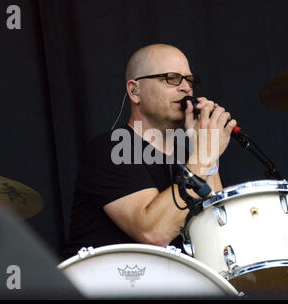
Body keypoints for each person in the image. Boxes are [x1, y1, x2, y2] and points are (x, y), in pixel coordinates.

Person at [64, 44, 237, 258]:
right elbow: (154, 233)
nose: (186, 88)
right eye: (171, 78)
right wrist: (205, 156)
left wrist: (202, 150)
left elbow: (217, 232)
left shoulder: (191, 158)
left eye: (189, 80)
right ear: (135, 91)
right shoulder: (112, 148)